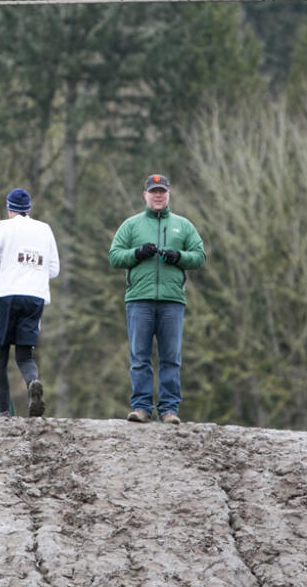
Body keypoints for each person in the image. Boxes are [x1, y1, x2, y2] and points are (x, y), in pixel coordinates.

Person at [108, 173, 206, 425]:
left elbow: (200, 256)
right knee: (139, 356)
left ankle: (169, 410)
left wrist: (179, 257)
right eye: (154, 191)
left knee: (170, 357)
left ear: (169, 194)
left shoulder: (183, 226)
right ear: (145, 195)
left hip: (172, 300)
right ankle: (141, 408)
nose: (158, 195)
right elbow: (114, 256)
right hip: (139, 298)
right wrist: (137, 253)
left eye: (162, 191)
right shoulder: (131, 225)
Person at [0, 188, 59, 417]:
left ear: (8, 208)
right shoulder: (45, 229)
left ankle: (4, 411)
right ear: (29, 209)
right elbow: (54, 270)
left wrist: (5, 256)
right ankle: (33, 383)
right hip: (36, 296)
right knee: (25, 355)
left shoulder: (2, 227)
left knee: (0, 354)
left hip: (7, 294)